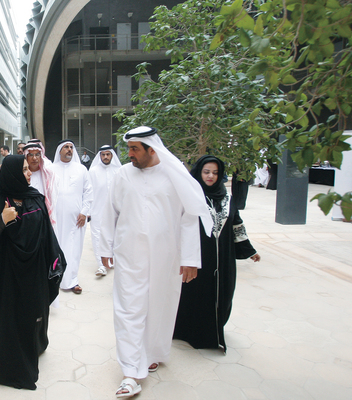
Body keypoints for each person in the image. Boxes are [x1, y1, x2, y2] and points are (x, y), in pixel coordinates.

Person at [98, 126, 212, 398]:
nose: (129, 154)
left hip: (166, 257)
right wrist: (105, 247)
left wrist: (190, 258)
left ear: (152, 149)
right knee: (128, 309)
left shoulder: (174, 174)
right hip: (129, 255)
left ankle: (152, 353)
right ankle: (130, 373)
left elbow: (189, 217)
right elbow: (109, 211)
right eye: (128, 148)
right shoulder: (123, 175)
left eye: (134, 149)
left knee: (160, 306)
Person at [0, 155, 65, 390]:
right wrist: (2, 220)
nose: (29, 173)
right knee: (9, 315)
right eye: (25, 169)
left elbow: (47, 233)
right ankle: (9, 361)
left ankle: (36, 345)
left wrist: (54, 260)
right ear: (13, 174)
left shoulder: (36, 198)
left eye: (29, 169)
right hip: (7, 274)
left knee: (35, 311)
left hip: (34, 270)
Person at [174, 155, 260, 352]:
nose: (211, 176)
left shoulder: (228, 199)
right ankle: (188, 331)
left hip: (223, 259)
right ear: (199, 173)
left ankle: (214, 330)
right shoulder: (190, 197)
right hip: (197, 257)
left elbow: (236, 223)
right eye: (206, 172)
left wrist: (249, 249)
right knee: (195, 294)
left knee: (223, 293)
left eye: (215, 173)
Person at [52, 140, 93, 294]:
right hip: (55, 218)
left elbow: (88, 192)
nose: (69, 150)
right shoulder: (51, 169)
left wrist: (84, 212)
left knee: (74, 249)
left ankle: (72, 280)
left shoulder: (81, 169)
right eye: (66, 147)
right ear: (59, 151)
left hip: (76, 219)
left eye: (71, 147)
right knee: (56, 247)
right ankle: (56, 278)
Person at [88, 145, 122, 277]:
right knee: (97, 237)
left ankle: (113, 261)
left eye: (108, 154)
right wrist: (88, 211)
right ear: (100, 156)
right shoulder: (93, 171)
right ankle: (101, 265)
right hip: (97, 210)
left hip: (116, 210)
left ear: (112, 155)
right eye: (103, 154)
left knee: (116, 236)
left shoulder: (118, 170)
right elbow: (89, 191)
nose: (105, 157)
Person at [23, 141, 56, 225]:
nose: (34, 158)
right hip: (26, 216)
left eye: (37, 154)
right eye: (31, 155)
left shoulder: (49, 175)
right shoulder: (21, 175)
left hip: (45, 215)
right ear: (25, 156)